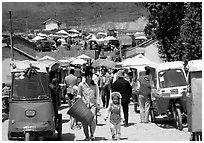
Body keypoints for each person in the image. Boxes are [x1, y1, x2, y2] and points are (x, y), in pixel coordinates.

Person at [77, 68, 100, 141]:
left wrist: (98, 104)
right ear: (85, 77)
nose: (89, 78)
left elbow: (97, 95)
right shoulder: (81, 85)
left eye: (91, 76)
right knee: (84, 122)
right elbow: (79, 94)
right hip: (84, 105)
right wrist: (78, 99)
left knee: (93, 120)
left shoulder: (95, 85)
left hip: (93, 105)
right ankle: (86, 135)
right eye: (88, 76)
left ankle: (92, 134)